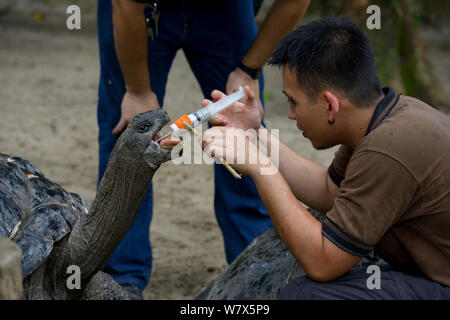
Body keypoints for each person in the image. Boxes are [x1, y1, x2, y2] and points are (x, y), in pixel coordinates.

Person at [201, 17, 450, 299]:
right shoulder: (389, 117)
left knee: (307, 295)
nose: (291, 114)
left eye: (293, 101)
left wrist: (260, 167)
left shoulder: (387, 149)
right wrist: (255, 135)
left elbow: (323, 262)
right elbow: (328, 190)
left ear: (330, 105)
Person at [96, 0, 310, 299]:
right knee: (129, 133)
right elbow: (125, 4)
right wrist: (138, 90)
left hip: (227, 11)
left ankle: (256, 268)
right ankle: (121, 279)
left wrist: (249, 68)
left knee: (241, 126)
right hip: (141, 9)